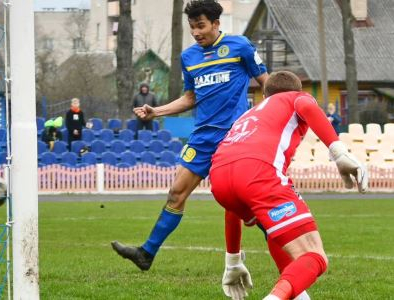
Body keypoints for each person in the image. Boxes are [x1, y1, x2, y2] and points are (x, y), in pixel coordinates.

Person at [111, 0, 268, 281]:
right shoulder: (189, 57)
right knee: (176, 193)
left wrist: (272, 120)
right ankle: (146, 254)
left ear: (216, 24)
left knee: (242, 199)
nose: (196, 32)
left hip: (234, 136)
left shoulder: (240, 47)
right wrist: (155, 111)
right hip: (202, 137)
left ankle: (282, 239)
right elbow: (190, 97)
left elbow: (268, 83)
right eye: (192, 27)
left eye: (201, 26)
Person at [209, 71, 368, 300]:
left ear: (264, 95)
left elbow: (233, 204)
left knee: (278, 237)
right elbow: (305, 104)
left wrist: (232, 260)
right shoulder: (295, 98)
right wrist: (339, 152)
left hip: (220, 178)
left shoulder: (248, 116)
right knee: (314, 255)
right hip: (258, 173)